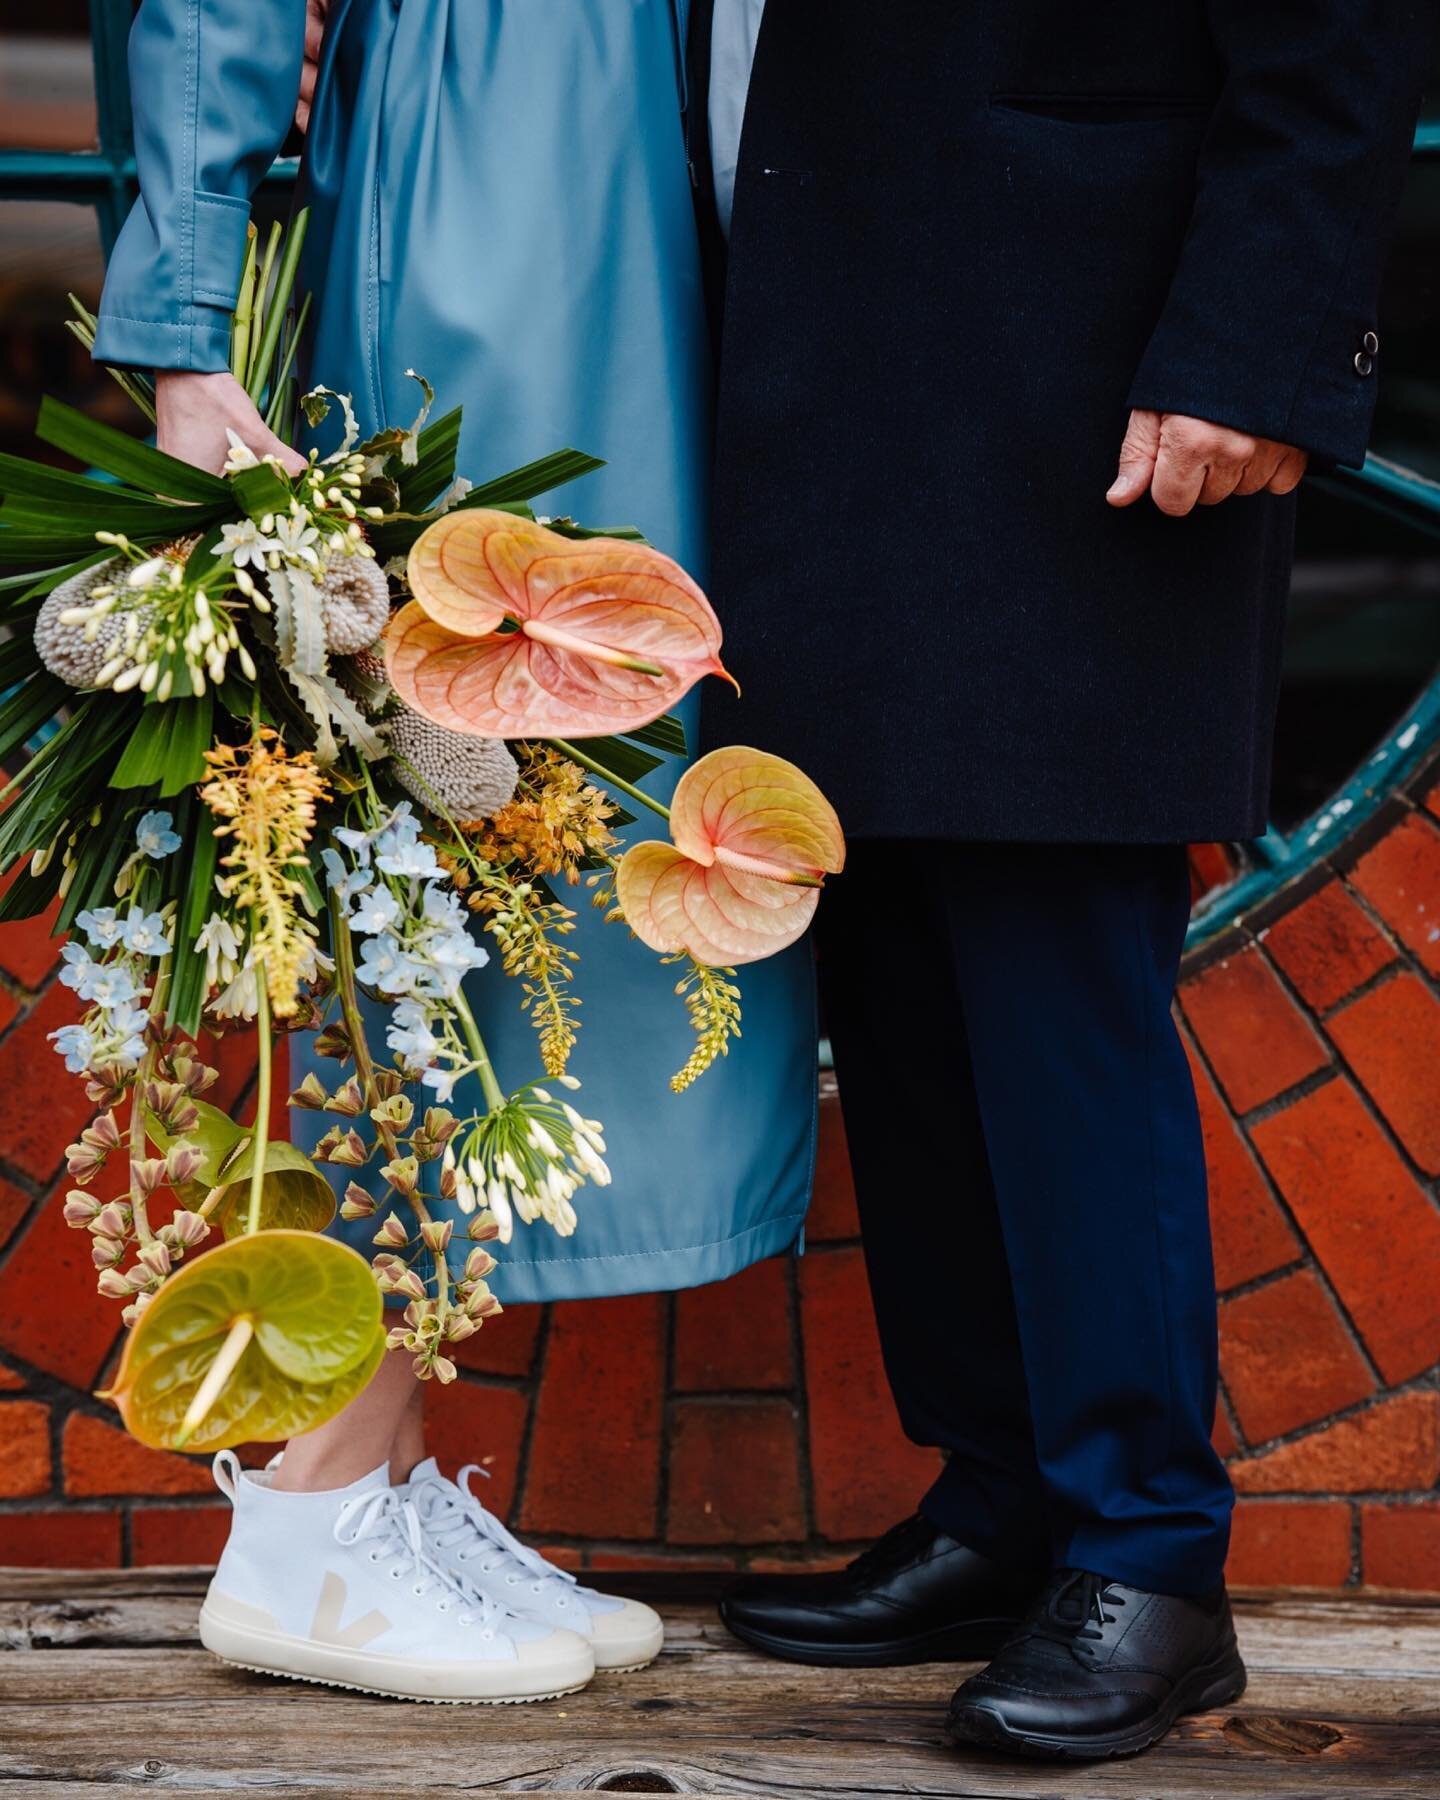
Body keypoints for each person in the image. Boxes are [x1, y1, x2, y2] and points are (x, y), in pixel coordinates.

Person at [693, 0, 1435, 1762]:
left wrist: (1258, 340)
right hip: (830, 321)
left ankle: (1150, 1557)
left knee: (1053, 965)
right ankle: (1005, 1504)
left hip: (1083, 338)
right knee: (893, 958)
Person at [90, 0, 818, 1704]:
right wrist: (185, 337)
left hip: (663, 152)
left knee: (534, 810)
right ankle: (310, 1518)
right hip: (505, 165)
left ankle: (389, 1489)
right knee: (443, 807)